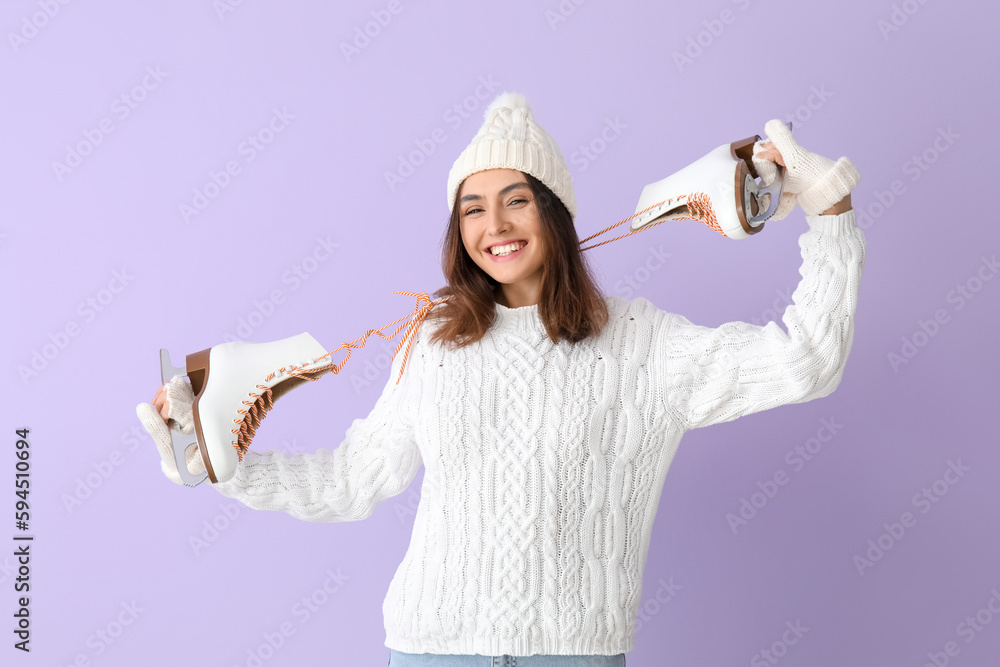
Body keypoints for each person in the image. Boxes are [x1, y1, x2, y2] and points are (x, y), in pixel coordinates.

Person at [137, 92, 865, 666]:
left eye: (517, 198)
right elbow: (353, 480)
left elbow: (808, 360)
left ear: (552, 212)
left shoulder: (645, 343)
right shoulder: (431, 343)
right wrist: (218, 466)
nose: (496, 224)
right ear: (459, 231)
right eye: (473, 207)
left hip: (574, 656)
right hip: (430, 649)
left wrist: (828, 210)